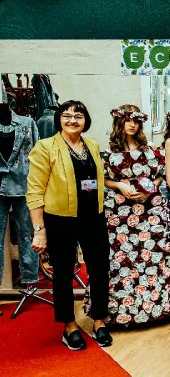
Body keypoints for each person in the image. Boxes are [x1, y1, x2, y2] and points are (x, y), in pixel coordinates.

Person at [27, 100, 114, 351]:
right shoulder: (45, 147)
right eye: (66, 115)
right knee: (63, 274)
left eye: (78, 116)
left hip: (93, 218)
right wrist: (39, 230)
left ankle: (99, 321)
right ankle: (69, 326)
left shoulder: (92, 145)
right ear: (59, 120)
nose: (72, 120)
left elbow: (98, 180)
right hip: (60, 220)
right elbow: (34, 191)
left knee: (99, 269)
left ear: (86, 120)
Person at [89, 104, 170, 328]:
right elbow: (100, 180)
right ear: (119, 122)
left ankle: (155, 309)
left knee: (152, 256)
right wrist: (119, 185)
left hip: (149, 209)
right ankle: (120, 311)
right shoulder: (108, 152)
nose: (132, 125)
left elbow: (161, 175)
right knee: (121, 259)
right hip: (120, 212)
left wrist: (150, 188)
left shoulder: (150, 150)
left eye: (136, 121)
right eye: (127, 120)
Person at [0, 88, 39, 299]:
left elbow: (37, 154)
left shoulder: (27, 123)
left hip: (24, 185)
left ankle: (30, 280)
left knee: (27, 234)